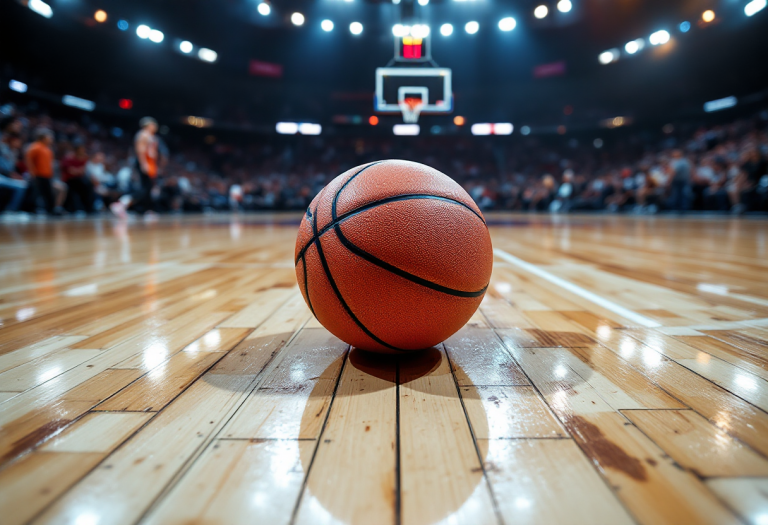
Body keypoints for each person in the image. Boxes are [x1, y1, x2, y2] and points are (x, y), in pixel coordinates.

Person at [110, 117, 160, 219]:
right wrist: (143, 164)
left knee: (148, 188)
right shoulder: (142, 134)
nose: (155, 126)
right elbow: (140, 150)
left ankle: (147, 210)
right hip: (144, 162)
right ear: (149, 125)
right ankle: (121, 204)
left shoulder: (151, 136)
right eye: (153, 124)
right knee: (143, 188)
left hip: (149, 163)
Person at [25, 128, 57, 214]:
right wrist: (32, 173)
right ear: (43, 137)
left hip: (47, 174)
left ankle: (51, 210)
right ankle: (30, 210)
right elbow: (29, 160)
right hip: (38, 174)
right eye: (49, 137)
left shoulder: (48, 149)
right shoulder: (35, 147)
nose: (51, 139)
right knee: (35, 194)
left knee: (48, 194)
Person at [0, 131, 29, 219]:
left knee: (24, 183)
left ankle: (13, 209)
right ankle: (11, 210)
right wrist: (10, 174)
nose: (19, 143)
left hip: (6, 176)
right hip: (2, 175)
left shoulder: (14, 152)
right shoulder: (3, 149)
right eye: (17, 141)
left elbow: (12, 168)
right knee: (20, 186)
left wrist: (15, 175)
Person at [61, 144, 93, 213]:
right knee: (83, 185)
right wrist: (77, 171)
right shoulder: (68, 158)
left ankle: (88, 208)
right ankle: (74, 208)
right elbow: (70, 171)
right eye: (81, 149)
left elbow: (83, 170)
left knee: (88, 185)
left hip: (79, 179)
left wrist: (77, 171)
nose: (83, 151)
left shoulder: (85, 158)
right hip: (69, 179)